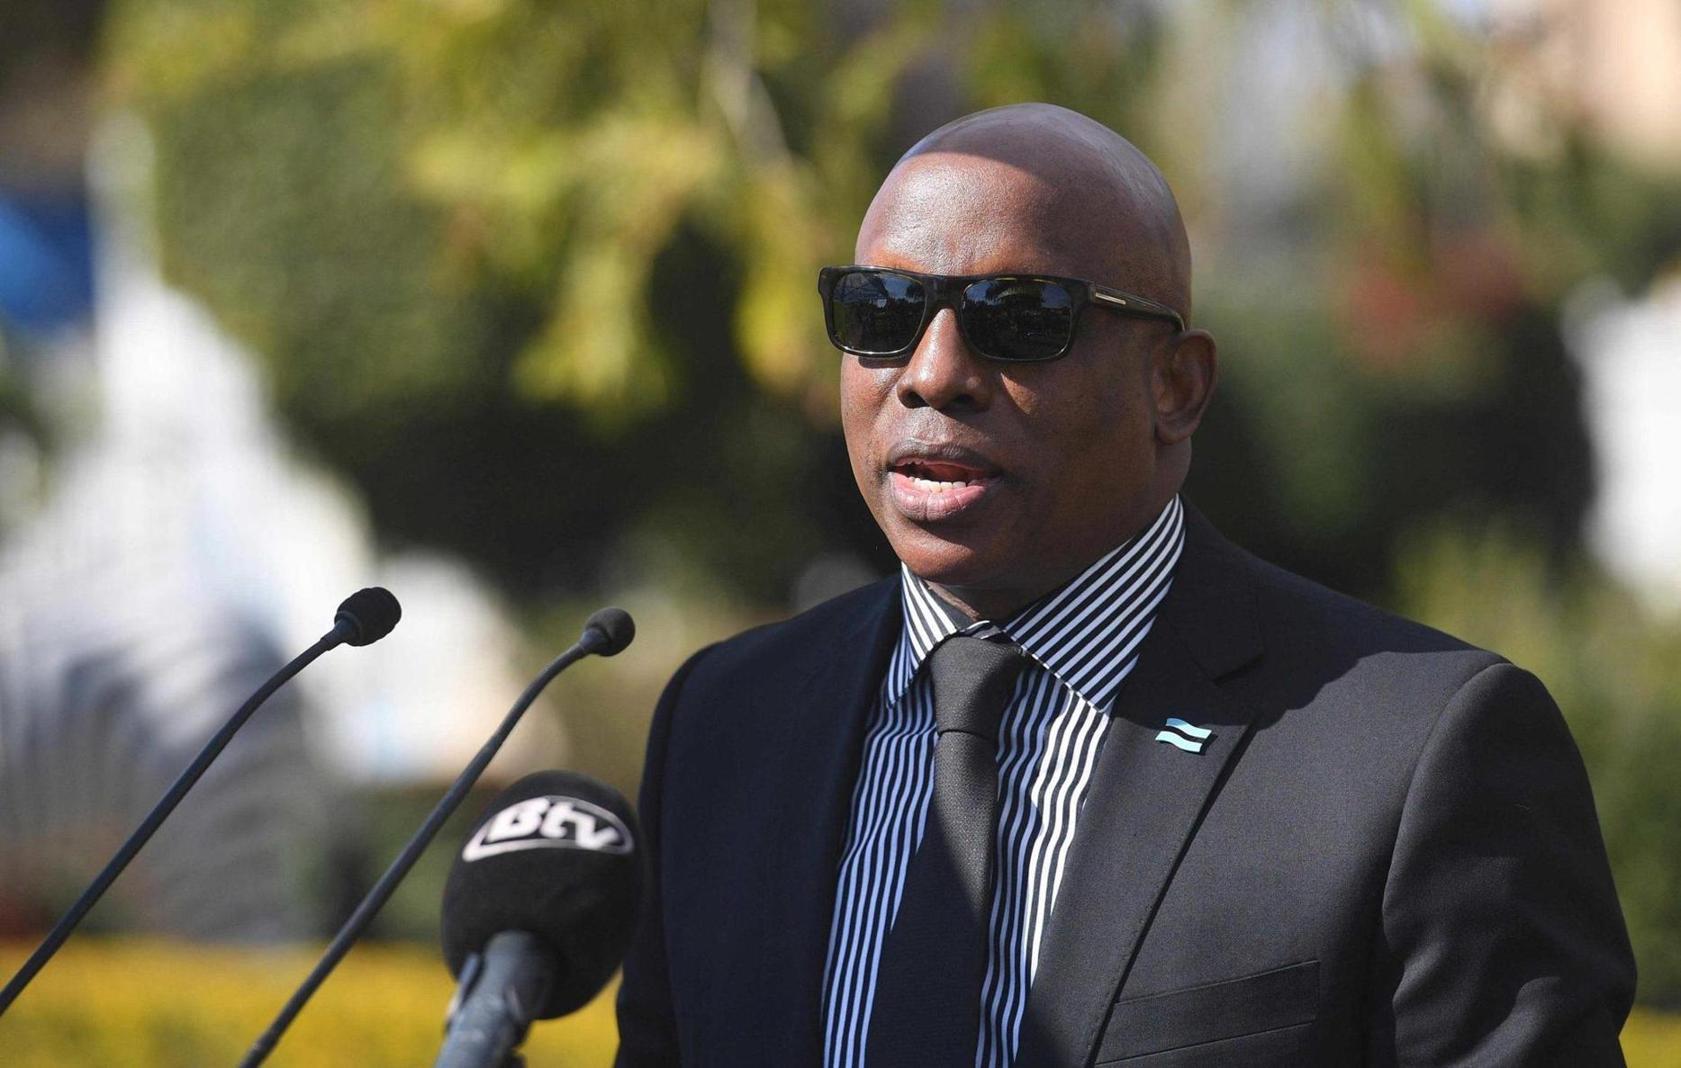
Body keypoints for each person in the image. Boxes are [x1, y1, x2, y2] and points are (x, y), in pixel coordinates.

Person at [613, 103, 1634, 1067]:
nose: (931, 372)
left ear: (1175, 385)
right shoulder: (723, 723)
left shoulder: (1417, 753)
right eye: (880, 309)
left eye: (1020, 317)